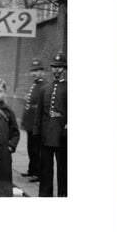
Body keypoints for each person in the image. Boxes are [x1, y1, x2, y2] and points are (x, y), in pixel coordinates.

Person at [33, 52, 68, 197]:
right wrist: (37, 132)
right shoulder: (44, 89)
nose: (56, 70)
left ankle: (63, 195)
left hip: (62, 134)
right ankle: (45, 195)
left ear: (64, 69)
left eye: (59, 67)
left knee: (63, 168)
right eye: (54, 67)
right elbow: (39, 113)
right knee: (45, 167)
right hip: (46, 134)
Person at [21, 59, 46, 182]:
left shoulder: (43, 85)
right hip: (30, 123)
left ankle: (38, 173)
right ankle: (31, 170)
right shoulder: (35, 84)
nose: (34, 73)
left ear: (42, 72)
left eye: (37, 70)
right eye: (33, 71)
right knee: (31, 148)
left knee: (36, 149)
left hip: (37, 123)